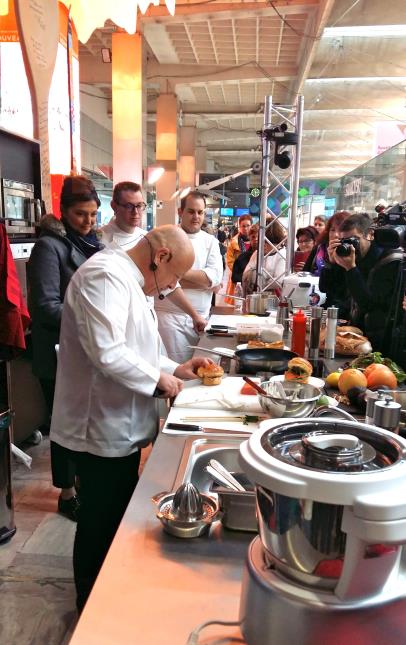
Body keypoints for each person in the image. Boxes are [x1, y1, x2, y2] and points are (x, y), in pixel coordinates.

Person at [49, 225, 212, 612]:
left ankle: (108, 594)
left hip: (120, 423)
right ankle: (89, 605)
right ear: (162, 257)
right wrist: (160, 382)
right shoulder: (104, 276)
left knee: (114, 513)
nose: (169, 288)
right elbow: (107, 352)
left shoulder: (129, 280)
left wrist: (177, 368)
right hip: (100, 425)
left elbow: (140, 348)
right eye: (173, 279)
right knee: (99, 519)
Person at [27, 175, 104, 521]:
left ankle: (85, 484)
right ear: (63, 212)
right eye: (80, 215)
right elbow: (45, 306)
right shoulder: (49, 247)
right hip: (58, 350)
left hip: (86, 350)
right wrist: (92, 321)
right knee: (64, 425)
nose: (88, 222)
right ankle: (67, 493)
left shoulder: (96, 246)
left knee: (85, 423)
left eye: (92, 214)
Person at [155, 191, 223, 362]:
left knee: (201, 371)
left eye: (200, 212)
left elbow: (214, 278)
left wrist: (177, 273)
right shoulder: (165, 238)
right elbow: (162, 280)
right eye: (191, 211)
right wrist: (204, 283)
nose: (196, 217)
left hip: (202, 320)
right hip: (170, 319)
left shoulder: (210, 242)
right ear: (180, 212)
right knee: (175, 373)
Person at [323, 212, 403, 351]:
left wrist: (351, 268)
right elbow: (327, 288)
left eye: (353, 240)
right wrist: (331, 264)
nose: (350, 246)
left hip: (381, 342)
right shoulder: (353, 257)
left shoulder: (389, 262)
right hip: (357, 334)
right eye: (344, 241)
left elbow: (369, 304)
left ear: (370, 234)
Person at [242, 218, 287, 296]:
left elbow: (278, 281)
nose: (263, 245)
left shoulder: (282, 254)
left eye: (267, 242)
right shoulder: (257, 253)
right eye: (262, 242)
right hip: (255, 296)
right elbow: (246, 275)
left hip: (275, 299)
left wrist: (258, 280)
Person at [101, 181, 146, 250]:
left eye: (139, 206)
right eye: (129, 206)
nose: (135, 212)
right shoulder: (100, 240)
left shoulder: (146, 237)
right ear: (114, 206)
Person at [304, 211, 350, 277]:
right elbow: (306, 270)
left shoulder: (352, 251)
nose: (336, 234)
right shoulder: (319, 247)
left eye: (341, 230)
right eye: (332, 230)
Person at [225, 214, 252, 303]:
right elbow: (230, 261)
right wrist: (241, 272)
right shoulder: (233, 242)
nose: (245, 228)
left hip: (253, 277)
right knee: (238, 303)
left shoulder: (256, 240)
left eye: (248, 225)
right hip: (238, 278)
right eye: (243, 226)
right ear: (239, 227)